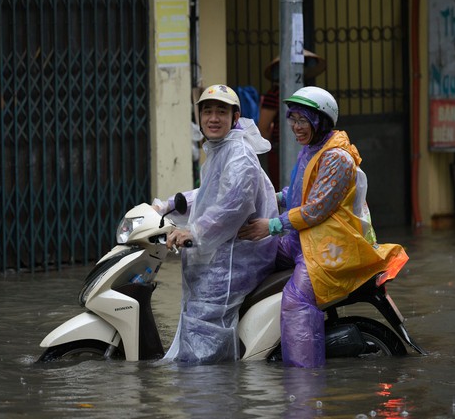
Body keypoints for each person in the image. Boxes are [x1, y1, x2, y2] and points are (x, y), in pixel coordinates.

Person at [239, 86, 409, 368]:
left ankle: (304, 384)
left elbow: (316, 208)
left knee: (297, 301)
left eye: (302, 120)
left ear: (321, 121)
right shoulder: (312, 149)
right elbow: (297, 193)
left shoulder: (337, 158)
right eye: (292, 119)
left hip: (329, 247)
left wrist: (270, 225)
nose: (295, 126)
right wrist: (266, 198)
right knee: (251, 255)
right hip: (302, 239)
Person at [152, 84, 278, 365]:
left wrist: (193, 232)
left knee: (203, 325)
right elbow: (208, 194)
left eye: (221, 112)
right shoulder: (221, 151)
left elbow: (231, 206)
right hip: (223, 250)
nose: (212, 118)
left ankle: (210, 392)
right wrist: (168, 205)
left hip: (239, 256)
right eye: (207, 111)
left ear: (235, 118)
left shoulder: (240, 156)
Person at [258, 50, 327, 187]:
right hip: (280, 153)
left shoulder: (307, 93)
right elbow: (263, 128)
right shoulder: (275, 93)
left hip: (309, 149)